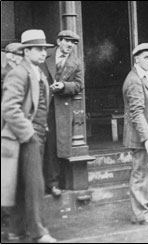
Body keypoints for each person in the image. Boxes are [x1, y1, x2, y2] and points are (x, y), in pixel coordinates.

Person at [1, 29, 57, 243]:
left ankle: (16, 230)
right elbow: (9, 108)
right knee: (34, 185)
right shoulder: (20, 73)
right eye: (39, 49)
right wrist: (29, 133)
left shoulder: (36, 72)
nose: (43, 53)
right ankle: (37, 231)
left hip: (36, 135)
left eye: (45, 49)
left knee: (23, 185)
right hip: (25, 138)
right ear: (26, 51)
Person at [40, 30, 83, 197]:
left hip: (60, 109)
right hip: (41, 105)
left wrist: (64, 86)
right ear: (59, 41)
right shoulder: (45, 54)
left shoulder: (75, 62)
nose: (70, 45)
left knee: (54, 146)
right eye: (67, 41)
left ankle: (53, 183)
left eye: (73, 43)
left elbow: (79, 85)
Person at [123, 43, 148, 225]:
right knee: (140, 175)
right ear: (136, 59)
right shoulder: (134, 80)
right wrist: (147, 137)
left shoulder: (146, 77)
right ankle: (140, 214)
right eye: (146, 57)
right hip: (141, 137)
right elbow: (136, 112)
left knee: (146, 174)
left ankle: (145, 211)